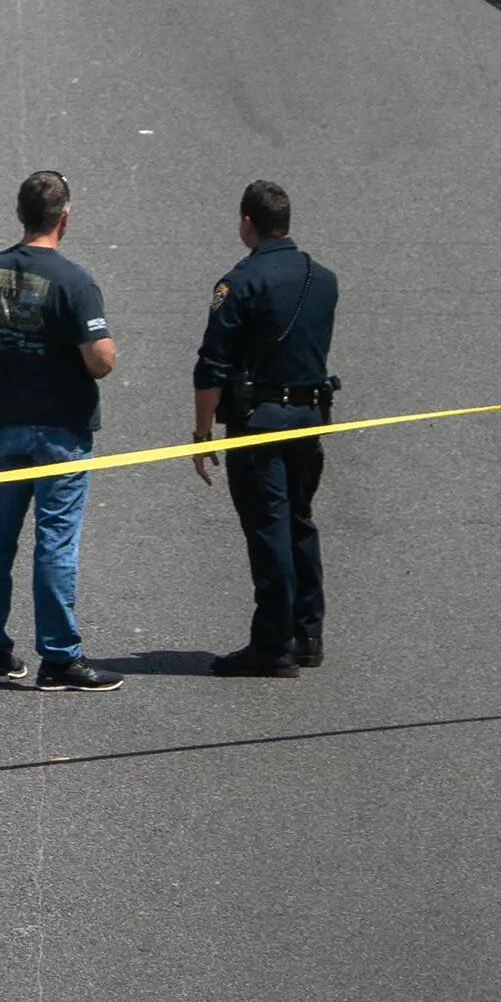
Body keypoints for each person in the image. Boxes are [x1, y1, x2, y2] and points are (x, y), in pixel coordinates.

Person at [0, 170, 125, 691]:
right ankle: (59, 657)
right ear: (64, 216)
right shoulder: (75, 282)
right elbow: (100, 361)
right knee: (55, 541)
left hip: (3, 425)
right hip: (61, 431)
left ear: (19, 213)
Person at [191, 179, 340, 677]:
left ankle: (271, 644)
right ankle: (308, 633)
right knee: (300, 519)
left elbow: (212, 365)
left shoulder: (239, 283)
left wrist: (201, 432)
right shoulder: (323, 279)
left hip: (258, 423)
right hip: (309, 418)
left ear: (248, 223)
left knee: (268, 528)